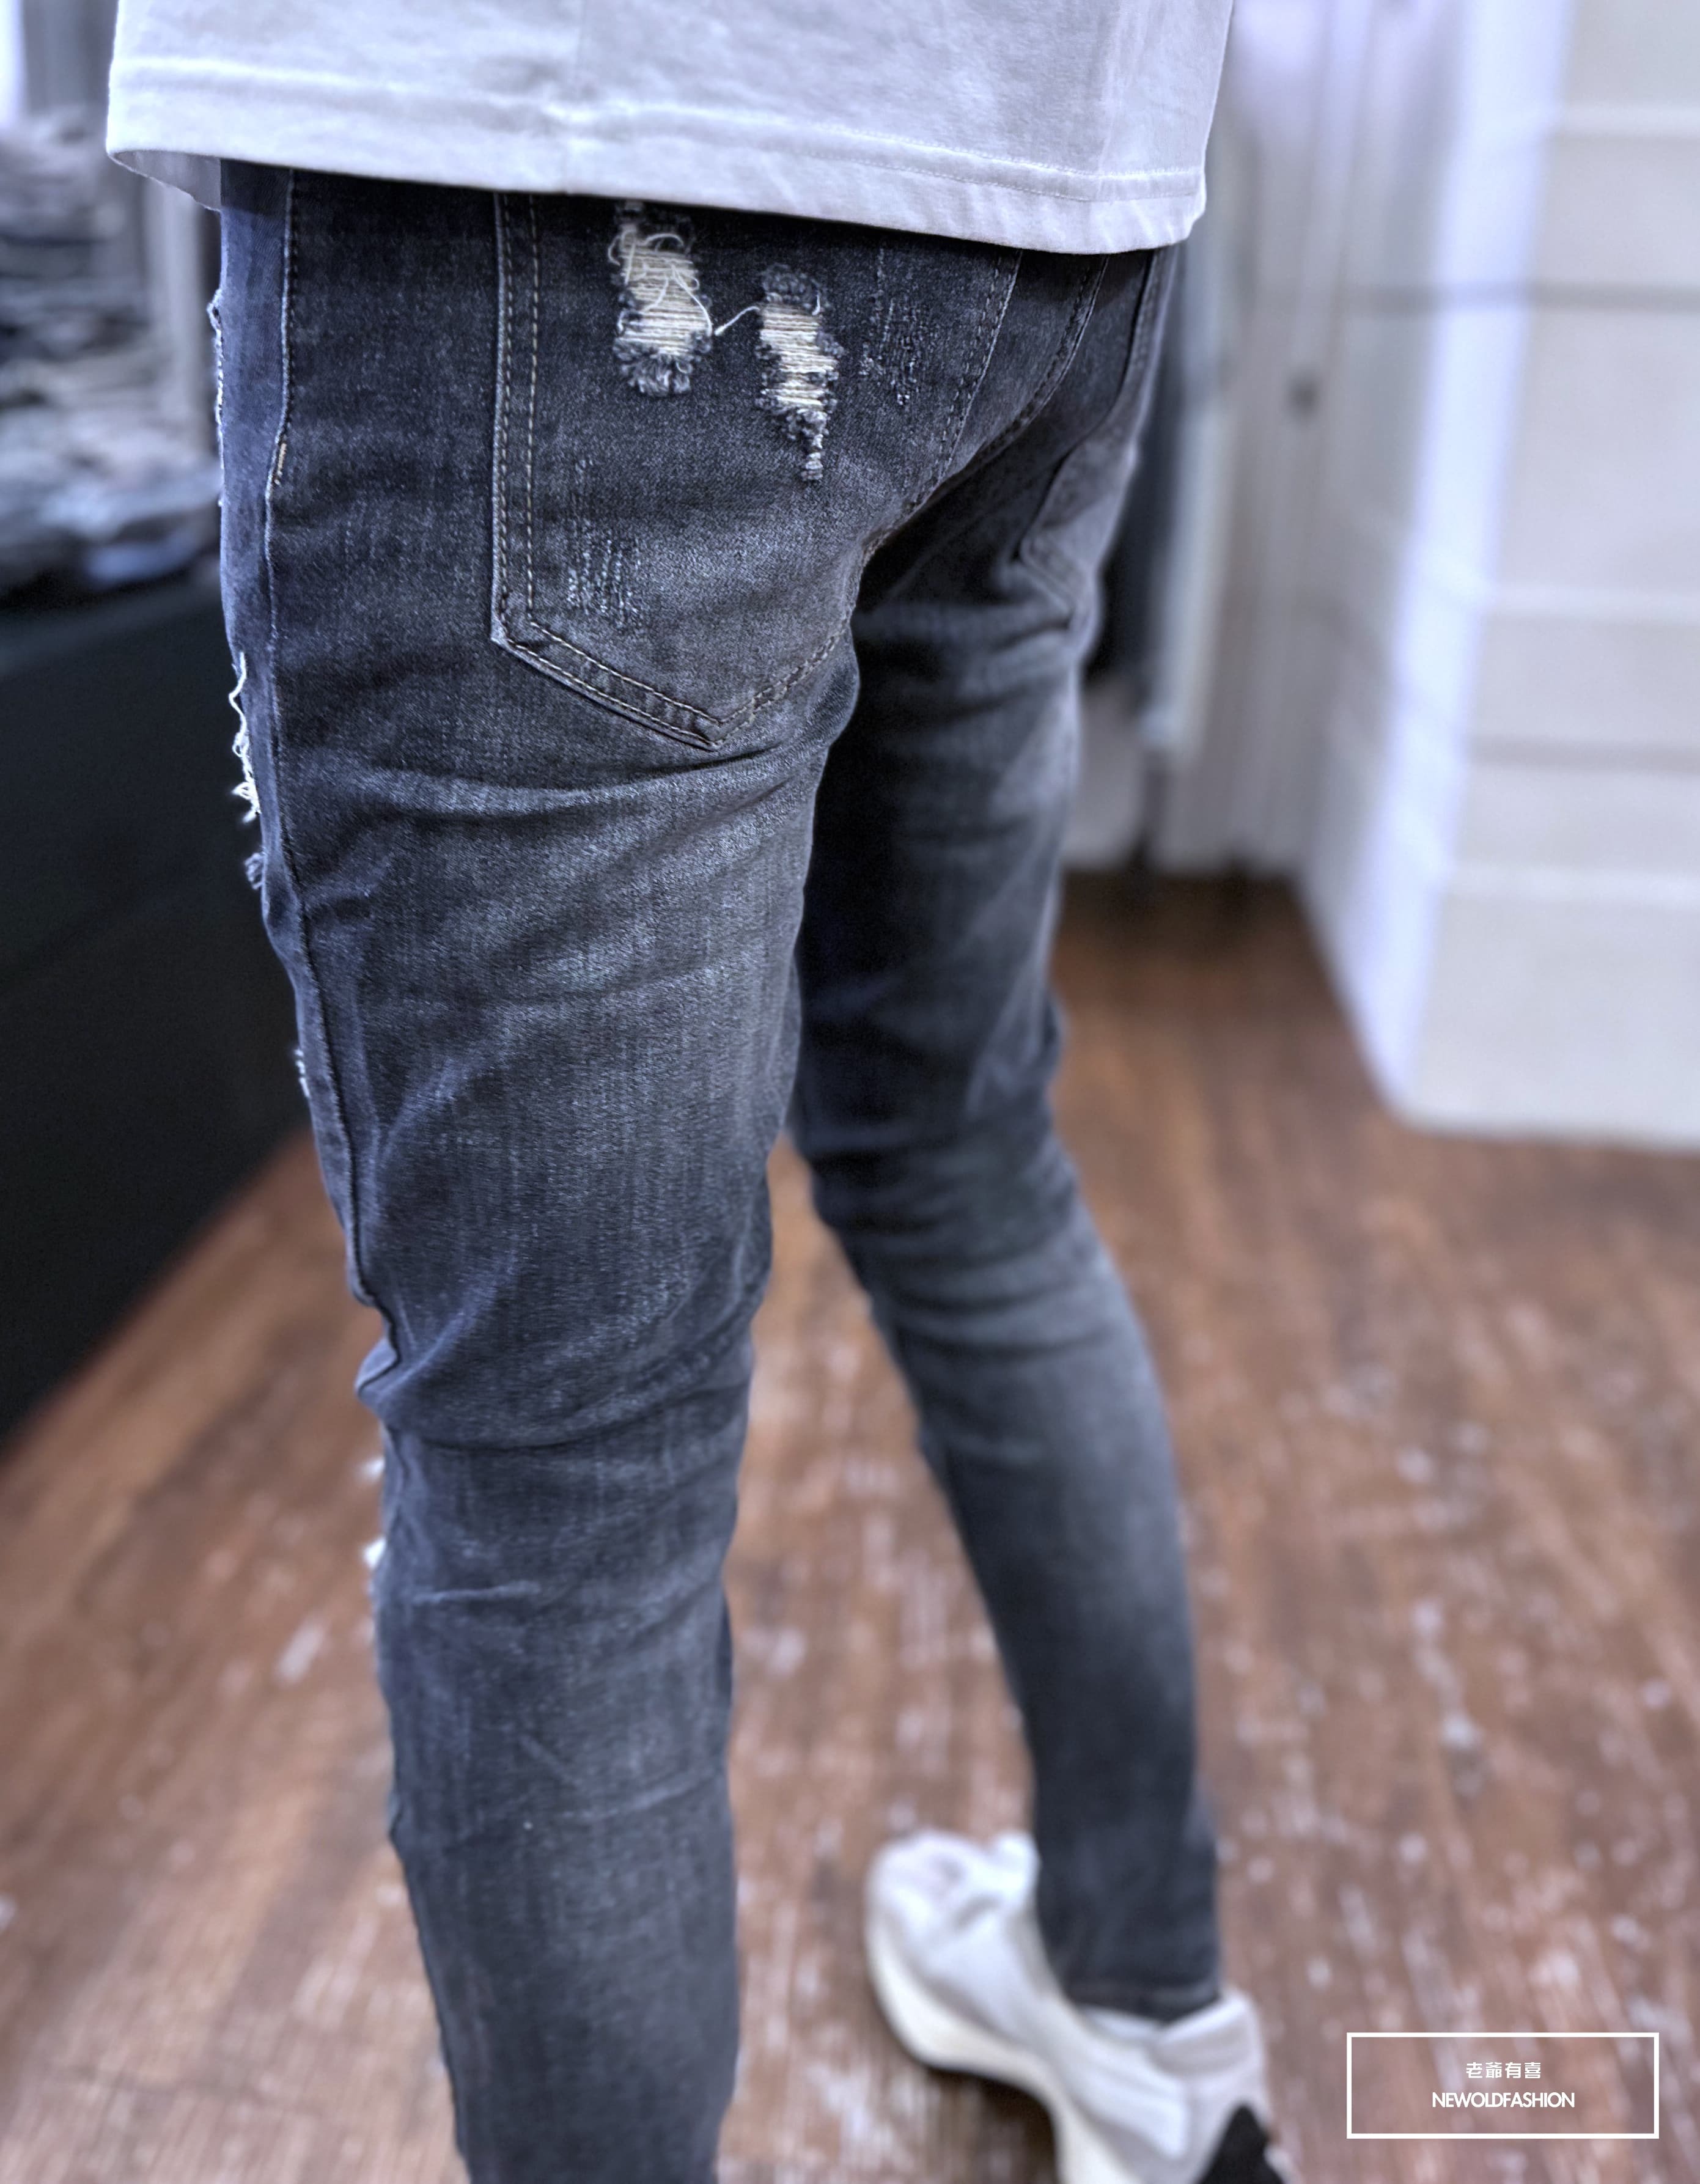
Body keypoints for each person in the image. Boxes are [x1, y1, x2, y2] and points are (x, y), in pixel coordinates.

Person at [108, 7, 1285, 2181]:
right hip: (1061, 205)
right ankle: (1146, 2004)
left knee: (568, 1472)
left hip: (549, 158)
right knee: (967, 1162)